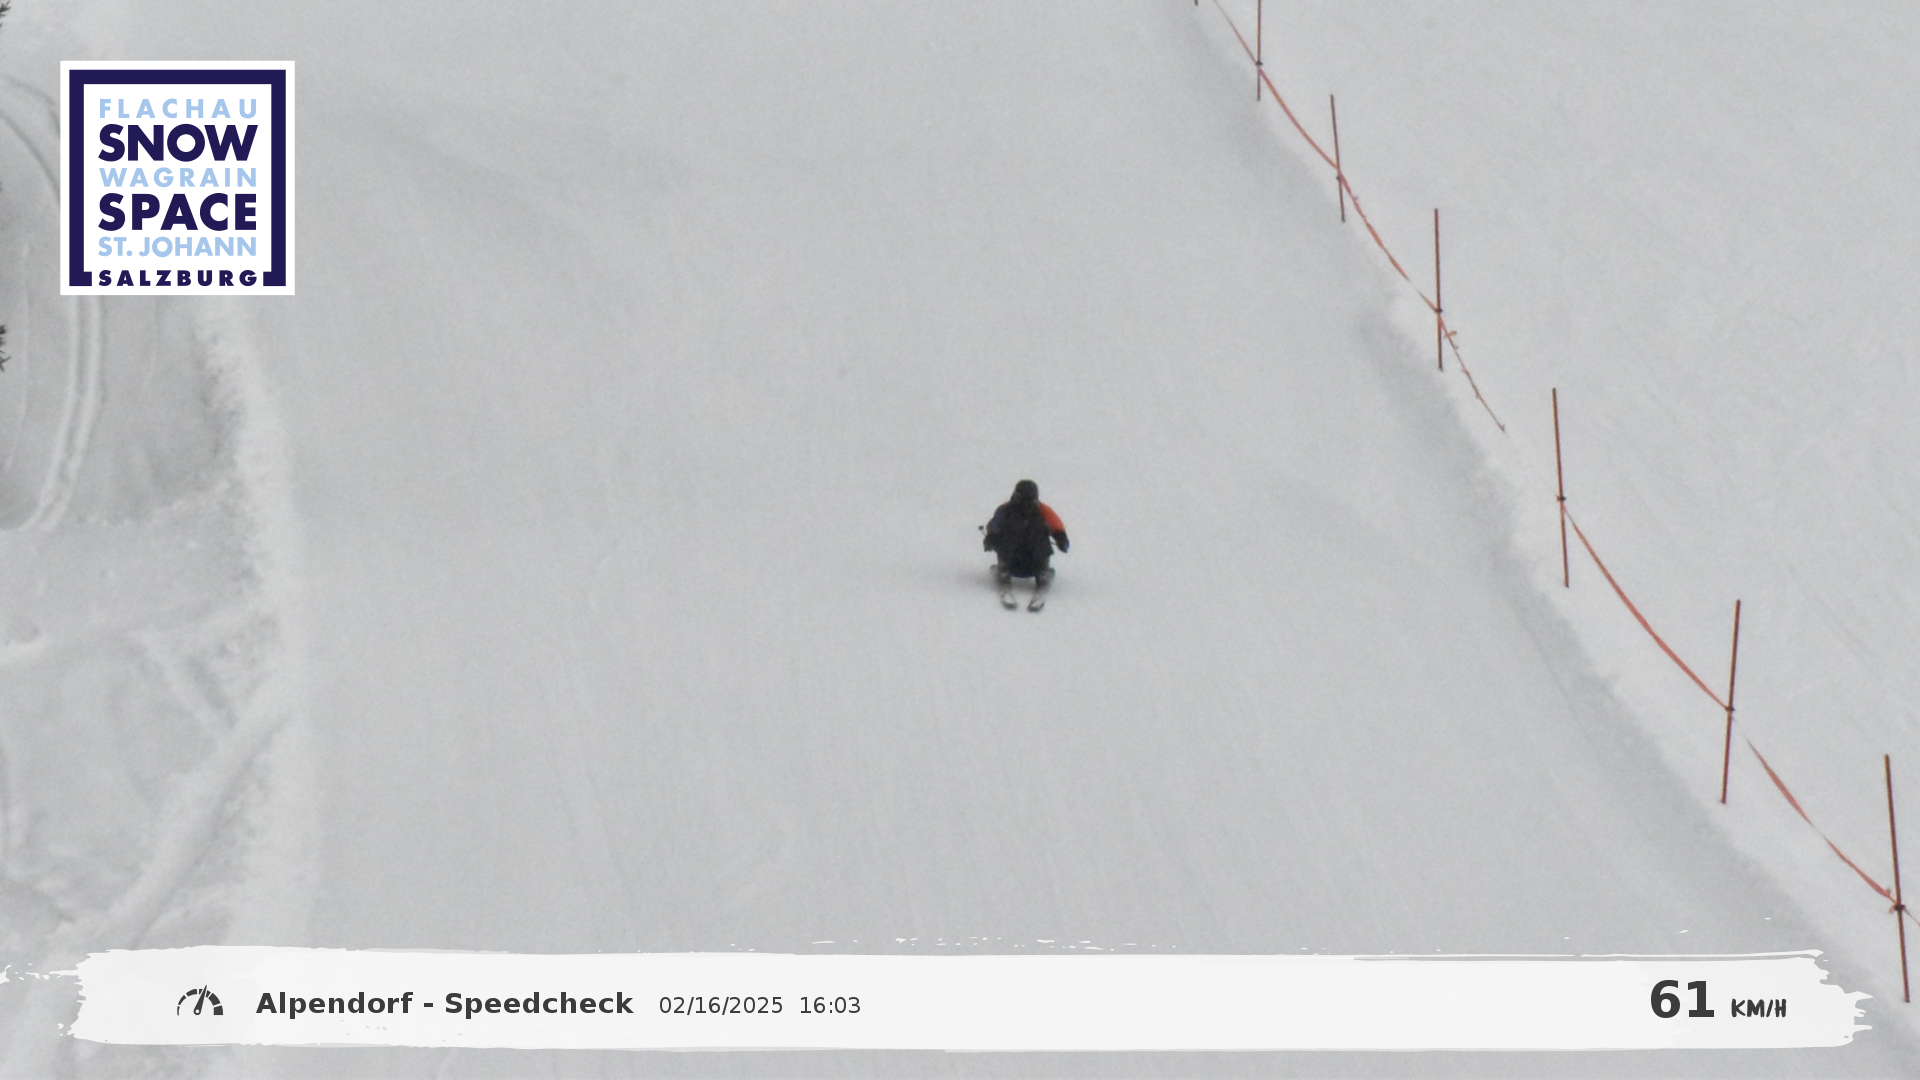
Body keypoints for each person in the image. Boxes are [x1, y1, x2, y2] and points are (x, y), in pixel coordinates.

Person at [983, 479, 1069, 590]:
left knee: (1039, 528)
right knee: (1010, 528)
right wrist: (991, 538)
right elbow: (994, 525)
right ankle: (1004, 569)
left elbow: (1056, 525)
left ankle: (1042, 572)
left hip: (1035, 562)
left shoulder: (1042, 510)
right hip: (1012, 561)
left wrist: (1061, 538)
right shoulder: (1006, 510)